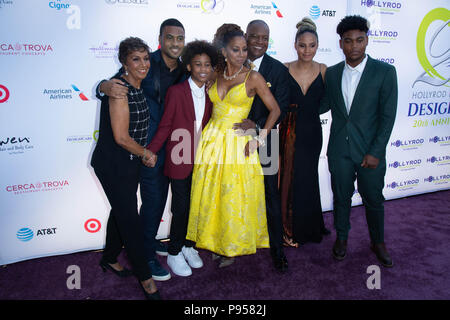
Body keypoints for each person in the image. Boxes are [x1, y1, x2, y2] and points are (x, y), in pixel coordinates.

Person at [96, 19, 187, 280]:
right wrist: (101, 86)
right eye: (170, 38)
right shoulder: (147, 62)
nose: (175, 43)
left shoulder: (185, 68)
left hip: (176, 145)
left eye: (180, 38)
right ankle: (145, 254)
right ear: (161, 38)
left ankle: (144, 242)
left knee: (159, 200)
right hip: (146, 147)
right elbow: (115, 85)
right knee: (152, 199)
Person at [186, 24, 281, 268]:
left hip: (238, 145)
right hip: (212, 141)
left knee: (234, 196)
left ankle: (231, 246)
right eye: (236, 50)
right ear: (224, 51)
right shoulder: (215, 73)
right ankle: (215, 240)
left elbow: (275, 110)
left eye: (244, 50)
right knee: (212, 195)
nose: (242, 54)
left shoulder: (253, 77)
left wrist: (259, 139)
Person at [320, 15, 398, 267]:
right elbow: (322, 106)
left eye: (359, 40)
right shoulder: (331, 74)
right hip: (339, 150)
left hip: (370, 152)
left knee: (373, 199)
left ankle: (378, 242)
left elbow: (388, 117)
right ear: (340, 43)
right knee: (341, 198)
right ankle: (342, 238)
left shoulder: (385, 72)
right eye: (348, 41)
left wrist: (376, 151)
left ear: (367, 41)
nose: (354, 46)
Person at [91, 37, 160, 299]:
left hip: (129, 163)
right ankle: (146, 278)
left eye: (145, 58)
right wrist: (146, 153)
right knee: (130, 220)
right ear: (124, 63)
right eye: (136, 59)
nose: (143, 64)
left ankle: (109, 257)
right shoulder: (118, 89)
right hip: (113, 164)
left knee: (122, 210)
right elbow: (120, 137)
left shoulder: (137, 82)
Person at [145, 40, 218, 277]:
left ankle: (188, 245)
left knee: (197, 207)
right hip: (179, 158)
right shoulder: (176, 92)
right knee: (182, 207)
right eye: (198, 64)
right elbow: (166, 125)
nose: (203, 69)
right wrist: (152, 150)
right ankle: (174, 251)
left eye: (207, 64)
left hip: (203, 160)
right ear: (188, 67)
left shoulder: (212, 93)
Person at [232, 20, 290, 272]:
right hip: (232, 142)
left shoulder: (278, 70)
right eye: (253, 36)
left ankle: (277, 251)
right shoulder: (231, 66)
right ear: (245, 36)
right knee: (233, 193)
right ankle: (231, 243)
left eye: (264, 38)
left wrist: (255, 127)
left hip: (266, 142)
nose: (258, 42)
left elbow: (282, 109)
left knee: (270, 196)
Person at [280, 17, 330, 248]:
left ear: (317, 46)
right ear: (295, 45)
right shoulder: (284, 68)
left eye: (312, 45)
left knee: (309, 177)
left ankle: (311, 226)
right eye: (302, 45)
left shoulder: (324, 71)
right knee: (289, 179)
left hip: (312, 132)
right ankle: (289, 227)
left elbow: (328, 102)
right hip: (288, 132)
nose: (307, 50)